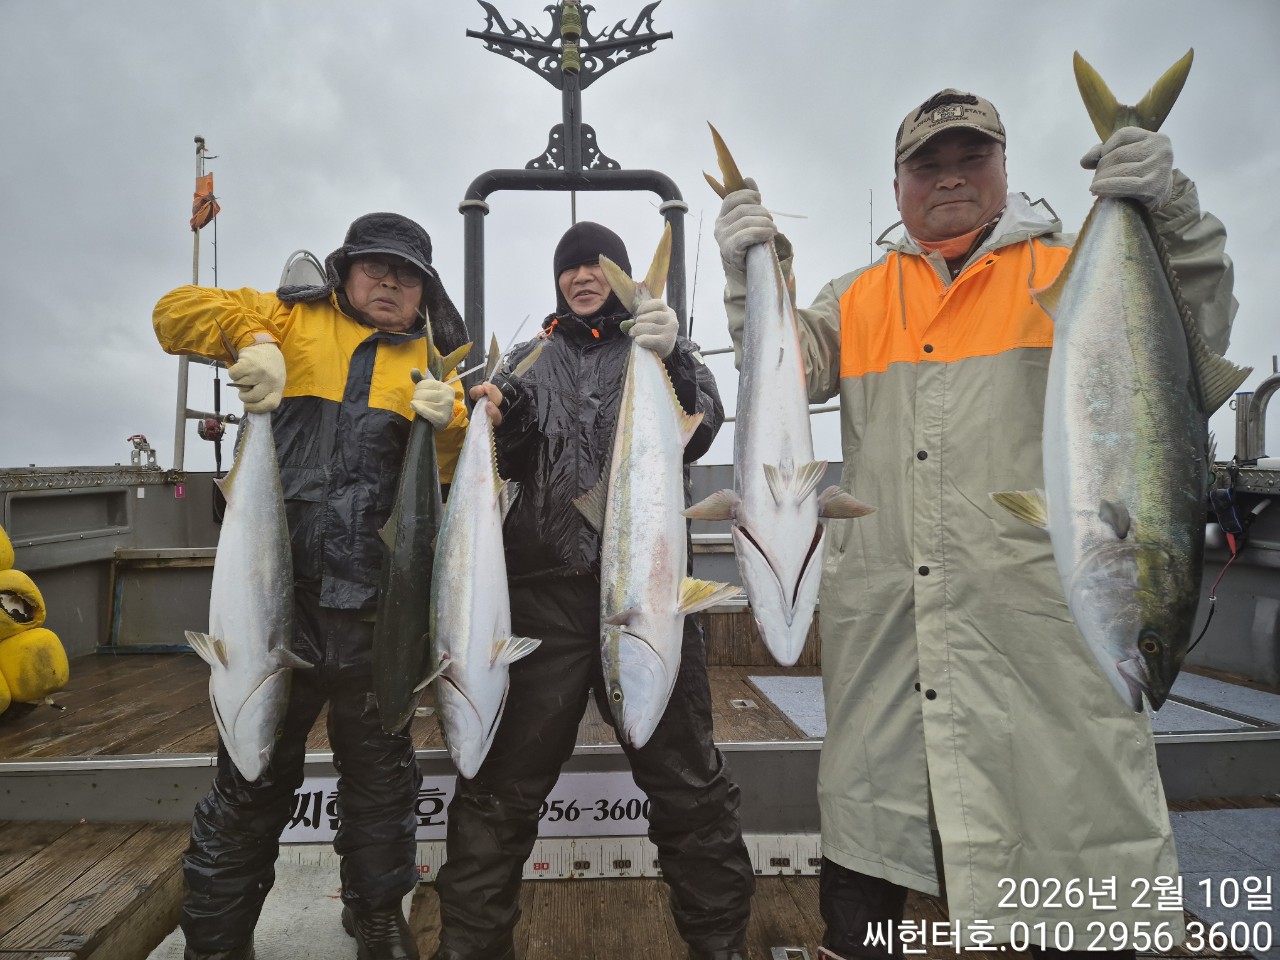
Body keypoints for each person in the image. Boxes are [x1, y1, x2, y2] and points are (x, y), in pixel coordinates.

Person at [714, 90, 1236, 960]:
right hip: (888, 633)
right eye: (928, 164)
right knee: (871, 862)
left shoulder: (1073, 267)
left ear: (1003, 168)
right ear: (898, 182)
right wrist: (749, 271)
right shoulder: (861, 295)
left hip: (1039, 635)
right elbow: (786, 369)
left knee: (1067, 858)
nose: (949, 178)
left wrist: (1170, 211)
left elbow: (1192, 329)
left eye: (971, 158)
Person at [432, 221, 755, 960]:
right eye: (570, 267)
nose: (582, 276)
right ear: (558, 281)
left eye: (596, 265)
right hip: (541, 598)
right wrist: (495, 411)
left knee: (688, 784)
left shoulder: (656, 351)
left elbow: (702, 426)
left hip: (648, 591)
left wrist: (673, 352)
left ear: (619, 277)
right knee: (499, 786)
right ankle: (471, 947)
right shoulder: (527, 359)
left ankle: (720, 942)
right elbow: (507, 460)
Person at [153, 212, 470, 960]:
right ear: (346, 270)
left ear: (424, 289)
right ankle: (218, 936)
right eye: (376, 268)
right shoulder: (290, 319)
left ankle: (377, 913)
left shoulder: (434, 361)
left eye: (407, 274)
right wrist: (253, 341)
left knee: (384, 783)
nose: (389, 282)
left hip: (377, 617)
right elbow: (173, 315)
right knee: (249, 780)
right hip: (278, 604)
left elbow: (449, 478)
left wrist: (452, 413)